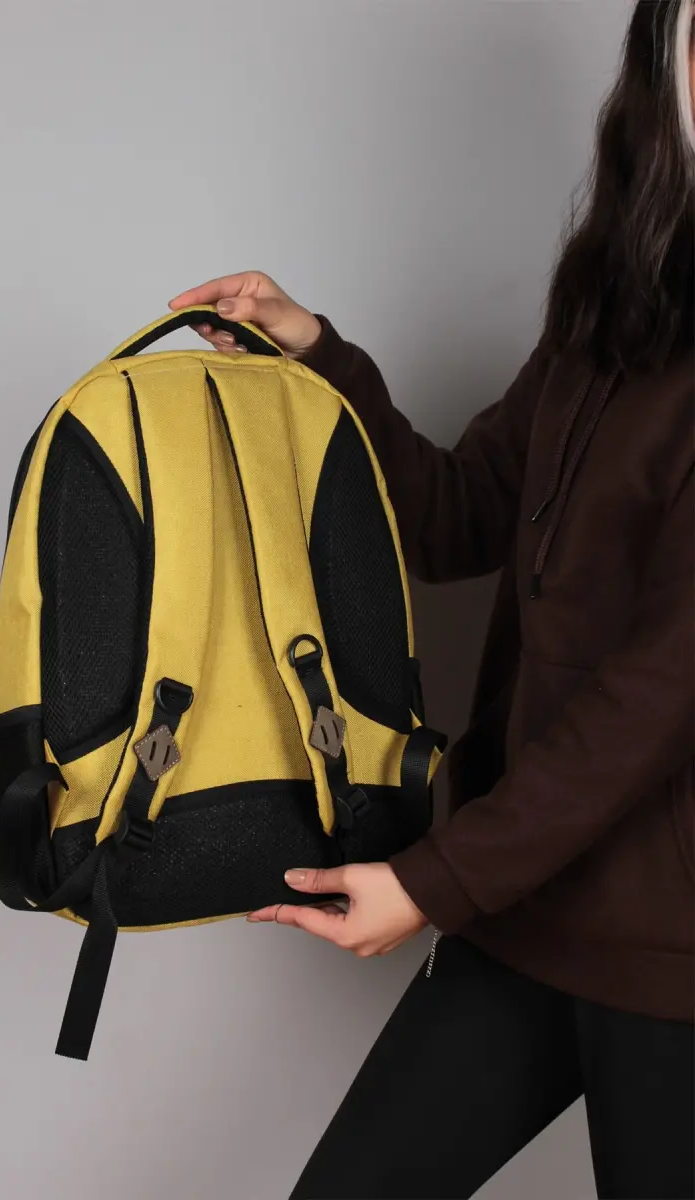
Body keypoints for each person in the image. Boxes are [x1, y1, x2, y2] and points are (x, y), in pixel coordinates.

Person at [169, 2, 695, 1196]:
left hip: (672, 954)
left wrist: (429, 881)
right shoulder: (613, 313)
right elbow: (455, 517)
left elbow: (652, 700)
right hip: (526, 900)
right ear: (661, 70)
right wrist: (315, 359)